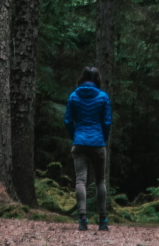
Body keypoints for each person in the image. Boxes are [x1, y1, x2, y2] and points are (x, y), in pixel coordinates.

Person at [63, 66, 112, 231]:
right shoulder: (103, 97)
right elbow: (107, 122)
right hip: (98, 142)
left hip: (79, 143)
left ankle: (82, 218)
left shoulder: (73, 96)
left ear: (82, 78)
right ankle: (103, 219)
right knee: (100, 181)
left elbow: (68, 121)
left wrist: (75, 136)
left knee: (80, 180)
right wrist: (103, 138)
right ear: (97, 79)